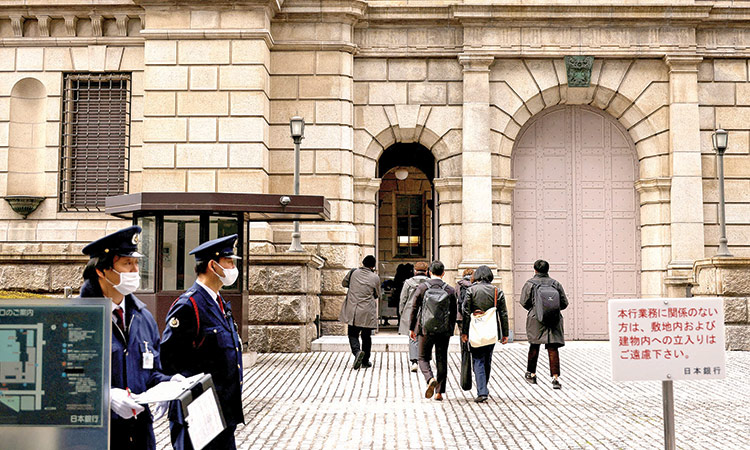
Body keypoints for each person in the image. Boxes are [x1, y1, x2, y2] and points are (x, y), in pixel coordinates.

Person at [79, 226, 180, 450]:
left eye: (136, 263)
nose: (135, 271)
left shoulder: (143, 317)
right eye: (127, 264)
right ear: (102, 270)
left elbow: (151, 371)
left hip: (140, 435)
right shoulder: (77, 318)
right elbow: (60, 380)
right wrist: (105, 396)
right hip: (95, 436)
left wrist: (169, 384)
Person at [161, 234, 244, 449]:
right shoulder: (190, 306)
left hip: (223, 413)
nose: (233, 268)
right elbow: (168, 359)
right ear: (212, 265)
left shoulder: (219, 303)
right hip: (197, 415)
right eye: (229, 262)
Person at [409, 261, 457, 401]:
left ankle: (430, 378)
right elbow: (454, 312)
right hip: (443, 330)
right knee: (442, 359)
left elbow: (414, 308)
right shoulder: (450, 290)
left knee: (423, 357)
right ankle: (439, 392)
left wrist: (412, 328)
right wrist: (450, 329)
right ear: (443, 273)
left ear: (430, 272)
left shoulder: (422, 288)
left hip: (425, 329)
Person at [460, 265, 509, 403]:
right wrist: (505, 333)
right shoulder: (497, 291)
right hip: (491, 329)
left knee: (478, 359)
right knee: (487, 359)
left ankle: (482, 390)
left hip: (475, 329)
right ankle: (483, 387)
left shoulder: (471, 290)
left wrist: (464, 332)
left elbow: (465, 313)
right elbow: (503, 314)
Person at [520, 259, 569, 390]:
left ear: (535, 269)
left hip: (536, 319)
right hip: (554, 319)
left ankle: (531, 373)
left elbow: (524, 302)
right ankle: (555, 378)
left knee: (534, 346)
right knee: (553, 348)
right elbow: (564, 303)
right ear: (548, 269)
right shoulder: (555, 284)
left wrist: (537, 309)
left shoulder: (530, 283)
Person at [339, 255, 381, 369]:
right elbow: (377, 294)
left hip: (353, 309)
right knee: (366, 337)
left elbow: (344, 283)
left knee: (352, 334)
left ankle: (357, 352)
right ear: (373, 266)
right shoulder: (375, 277)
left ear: (363, 263)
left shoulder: (353, 272)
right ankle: (365, 361)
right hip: (367, 311)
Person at [398, 262, 430, 372]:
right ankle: (425, 360)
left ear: (415, 271)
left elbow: (403, 299)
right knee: (425, 336)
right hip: (427, 312)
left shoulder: (408, 282)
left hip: (410, 311)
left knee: (413, 336)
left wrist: (401, 312)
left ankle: (414, 361)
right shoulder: (430, 283)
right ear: (426, 271)